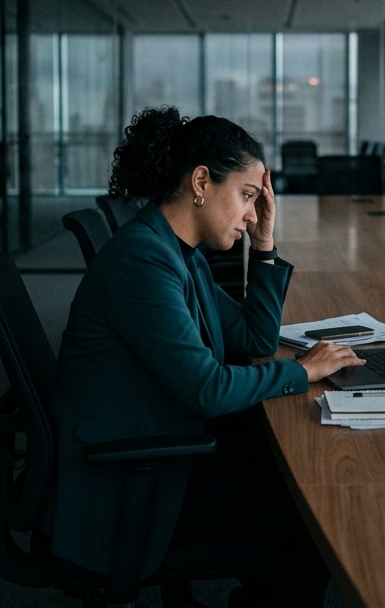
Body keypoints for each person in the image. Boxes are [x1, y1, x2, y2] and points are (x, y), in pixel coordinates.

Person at [50, 106, 364, 607]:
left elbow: (252, 339)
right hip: (127, 482)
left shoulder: (178, 252)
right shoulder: (143, 260)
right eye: (246, 196)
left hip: (163, 441)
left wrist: (262, 241)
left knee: (292, 478)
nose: (249, 211)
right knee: (308, 515)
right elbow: (208, 388)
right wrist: (302, 371)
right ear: (201, 182)